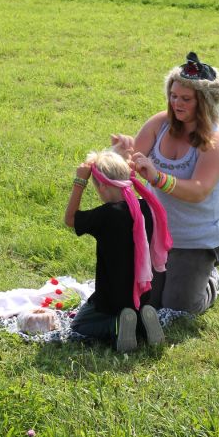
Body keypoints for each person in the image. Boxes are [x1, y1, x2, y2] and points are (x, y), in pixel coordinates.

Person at [113, 52, 219, 316]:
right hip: (157, 232)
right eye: (173, 95)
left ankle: (212, 279)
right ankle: (189, 276)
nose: (176, 103)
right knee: (147, 301)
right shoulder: (160, 123)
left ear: (204, 102)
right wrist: (120, 153)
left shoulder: (215, 140)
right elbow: (132, 162)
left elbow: (199, 190)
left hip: (196, 238)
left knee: (178, 309)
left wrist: (158, 177)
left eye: (186, 99)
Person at [64, 149, 172, 352]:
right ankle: (143, 324)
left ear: (103, 187)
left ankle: (115, 325)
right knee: (133, 312)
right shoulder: (145, 209)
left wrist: (80, 182)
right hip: (142, 296)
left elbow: (70, 219)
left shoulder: (105, 215)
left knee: (79, 325)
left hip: (109, 299)